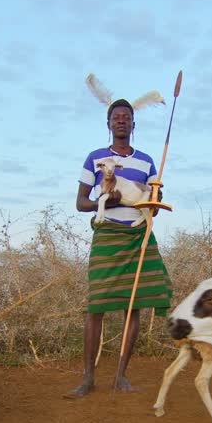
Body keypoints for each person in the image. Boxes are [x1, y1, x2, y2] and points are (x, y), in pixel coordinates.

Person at [64, 98, 172, 398]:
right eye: (116, 117)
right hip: (107, 236)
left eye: (126, 117)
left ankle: (121, 376)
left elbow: (154, 207)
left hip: (137, 235)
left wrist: (156, 194)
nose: (121, 120)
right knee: (95, 306)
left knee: (133, 306)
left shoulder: (147, 161)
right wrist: (106, 201)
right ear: (109, 124)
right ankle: (88, 378)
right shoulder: (95, 158)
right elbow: (81, 203)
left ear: (133, 125)